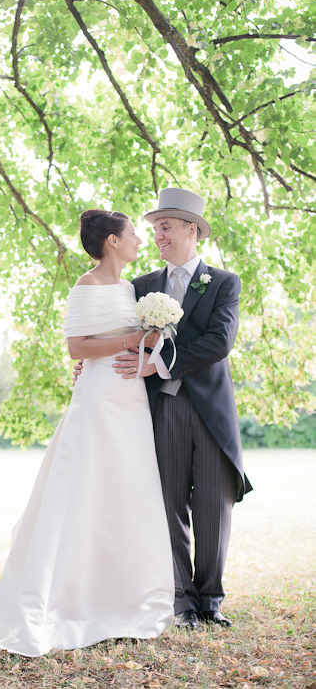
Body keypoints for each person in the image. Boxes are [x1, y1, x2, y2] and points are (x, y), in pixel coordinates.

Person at [0, 209, 174, 657]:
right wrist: (129, 342)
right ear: (112, 241)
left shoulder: (131, 288)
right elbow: (78, 347)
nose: (138, 240)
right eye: (132, 234)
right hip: (97, 401)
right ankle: (64, 593)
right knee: (82, 490)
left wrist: (148, 346)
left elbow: (127, 340)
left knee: (126, 490)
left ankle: (125, 592)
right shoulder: (85, 286)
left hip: (129, 400)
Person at [111, 187, 252, 629]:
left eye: (166, 227)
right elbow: (117, 335)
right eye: (154, 229)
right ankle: (181, 601)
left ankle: (210, 600)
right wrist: (87, 367)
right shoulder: (140, 286)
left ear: (192, 230)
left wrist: (160, 364)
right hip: (161, 412)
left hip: (210, 412)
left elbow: (218, 343)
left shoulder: (224, 282)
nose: (158, 236)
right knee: (167, 502)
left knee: (214, 504)